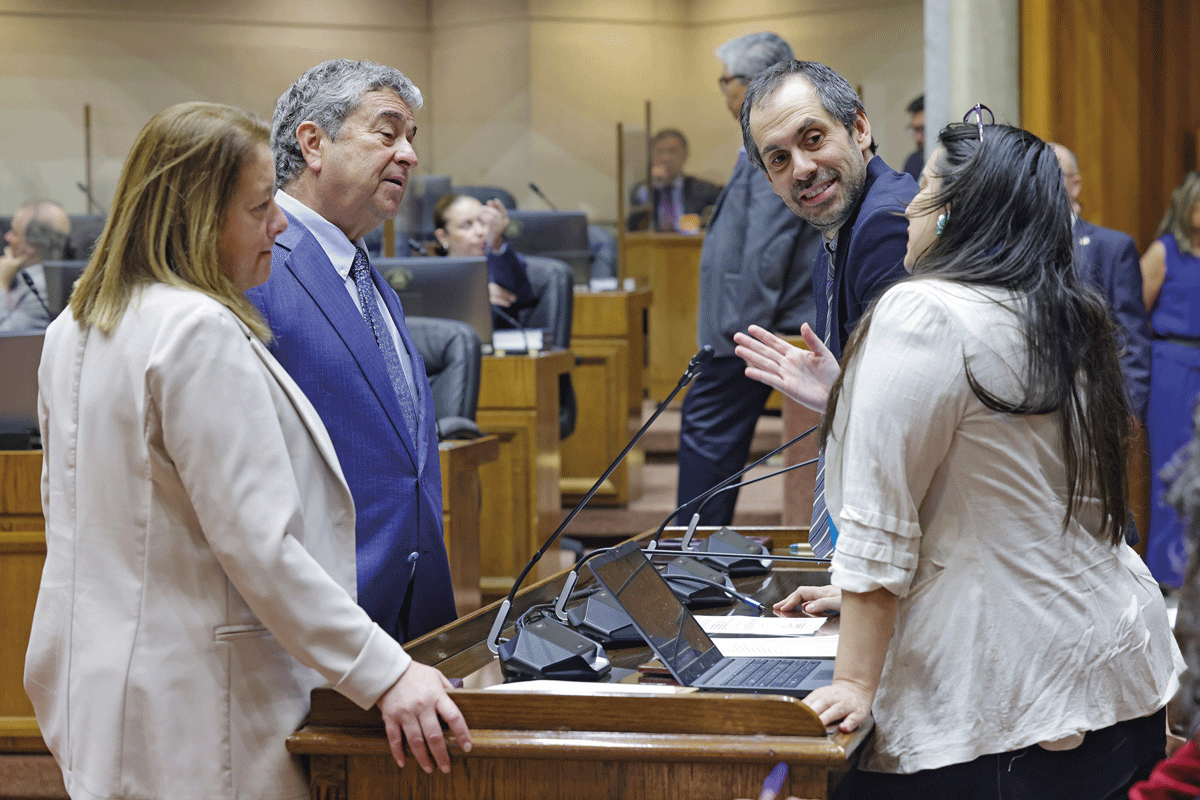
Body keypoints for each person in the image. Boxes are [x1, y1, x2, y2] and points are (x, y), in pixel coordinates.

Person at [24, 102, 471, 800]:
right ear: (198, 217)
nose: (280, 223)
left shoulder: (74, 325)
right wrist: (382, 670)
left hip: (101, 682)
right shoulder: (197, 330)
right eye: (260, 206)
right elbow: (261, 547)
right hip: (203, 703)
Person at [736, 119, 1181, 798]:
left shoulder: (924, 310)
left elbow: (881, 522)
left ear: (955, 214)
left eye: (925, 190)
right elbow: (1007, 501)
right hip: (1116, 676)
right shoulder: (1059, 311)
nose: (908, 208)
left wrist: (854, 681)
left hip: (1008, 701)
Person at [247, 59, 457, 643]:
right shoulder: (256, 264)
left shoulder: (370, 278)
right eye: (387, 134)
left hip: (407, 611)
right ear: (313, 143)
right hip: (317, 622)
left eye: (411, 140)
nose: (409, 156)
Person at [738, 59, 914, 552]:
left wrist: (868, 579)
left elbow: (912, 419)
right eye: (778, 159)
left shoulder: (886, 226)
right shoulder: (842, 231)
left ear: (859, 128)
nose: (801, 168)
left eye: (812, 138)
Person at [674, 32, 822, 526]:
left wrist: (741, 336)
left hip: (748, 331)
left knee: (706, 436)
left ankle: (693, 560)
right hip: (748, 327)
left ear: (754, 82)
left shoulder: (771, 145)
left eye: (727, 81)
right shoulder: (758, 142)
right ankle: (702, 552)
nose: (724, 92)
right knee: (712, 442)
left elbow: (767, 247)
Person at [1051, 143, 1152, 424]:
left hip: (1092, 406)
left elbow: (1130, 334)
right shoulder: (1012, 248)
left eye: (1053, 173)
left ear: (1076, 184)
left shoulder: (1112, 248)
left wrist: (1130, 409)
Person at [1141, 171, 1200, 586]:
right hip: (1173, 365)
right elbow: (1132, 311)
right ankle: (1166, 574)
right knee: (1172, 466)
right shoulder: (1163, 253)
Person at [432, 192, 534, 326]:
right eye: (467, 225)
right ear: (443, 237)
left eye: (482, 222)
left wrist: (495, 241)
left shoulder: (501, 261)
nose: (480, 231)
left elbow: (523, 295)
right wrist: (477, 296)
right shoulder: (433, 276)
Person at [626, 129, 722, 232]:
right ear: (651, 156)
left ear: (685, 155)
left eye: (672, 151)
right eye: (660, 152)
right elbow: (633, 227)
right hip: (654, 246)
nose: (665, 158)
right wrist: (650, 187)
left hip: (692, 245)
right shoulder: (641, 191)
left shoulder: (705, 190)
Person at [0, 199, 70, 332]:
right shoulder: (15, 273)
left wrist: (1, 285)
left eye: (15, 232)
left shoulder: (44, 289)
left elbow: (5, 336)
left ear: (32, 244)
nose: (7, 237)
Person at [901, 94, 924, 182]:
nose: (917, 138)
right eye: (914, 130)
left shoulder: (951, 161)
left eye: (922, 129)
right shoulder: (913, 162)